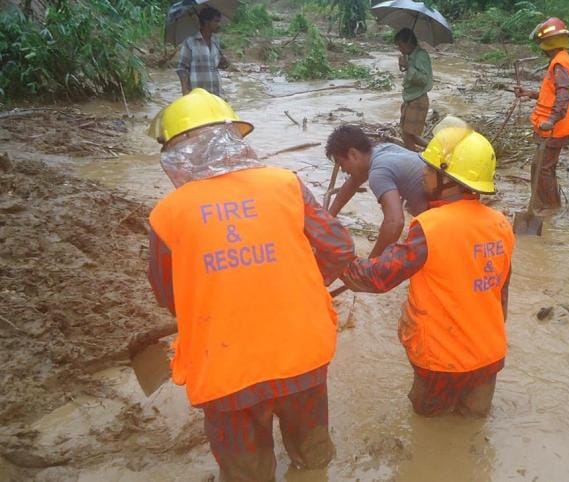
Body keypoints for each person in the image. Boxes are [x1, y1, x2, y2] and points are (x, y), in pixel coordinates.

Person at [146, 89, 355, 480]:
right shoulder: (285, 184)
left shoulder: (168, 214)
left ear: (176, 152)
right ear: (233, 137)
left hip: (225, 368)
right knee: (313, 460)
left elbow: (166, 293)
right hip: (301, 352)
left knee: (246, 474)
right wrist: (304, 283)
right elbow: (340, 248)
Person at [340, 126, 515, 417]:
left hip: (441, 362)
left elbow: (376, 278)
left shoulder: (430, 227)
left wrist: (336, 257)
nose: (423, 174)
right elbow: (501, 294)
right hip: (489, 358)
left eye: (431, 169)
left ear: (449, 180)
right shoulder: (501, 224)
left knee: (429, 425)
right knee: (470, 427)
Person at [325, 125, 428, 258]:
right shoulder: (383, 150)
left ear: (353, 154)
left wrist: (372, 263)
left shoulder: (378, 172)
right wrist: (328, 218)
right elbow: (354, 182)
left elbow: (395, 223)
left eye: (341, 163)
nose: (343, 170)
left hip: (442, 216)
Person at [515, 17, 569, 210]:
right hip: (550, 127)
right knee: (539, 167)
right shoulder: (560, 61)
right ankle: (541, 204)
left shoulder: (559, 63)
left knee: (544, 169)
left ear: (549, 44)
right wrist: (529, 94)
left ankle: (551, 208)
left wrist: (551, 119)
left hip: (554, 128)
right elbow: (549, 94)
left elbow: (563, 94)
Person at [177, 7, 229, 97]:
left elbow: (214, 66)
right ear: (206, 22)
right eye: (216, 21)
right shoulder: (190, 42)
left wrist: (223, 63)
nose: (219, 24)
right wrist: (185, 92)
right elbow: (182, 69)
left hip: (216, 94)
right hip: (198, 96)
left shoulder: (215, 41)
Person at [395, 28, 433, 151]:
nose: (399, 48)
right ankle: (432, 150)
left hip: (418, 99)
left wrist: (408, 67)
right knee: (408, 135)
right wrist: (404, 66)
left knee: (407, 135)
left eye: (400, 45)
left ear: (408, 42)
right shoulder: (411, 56)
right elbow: (411, 77)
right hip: (411, 99)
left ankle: (414, 157)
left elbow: (423, 80)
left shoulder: (421, 56)